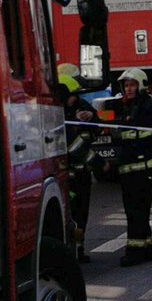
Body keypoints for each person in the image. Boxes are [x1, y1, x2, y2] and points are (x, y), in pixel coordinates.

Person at [110, 68, 152, 267]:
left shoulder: (149, 108)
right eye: (126, 85)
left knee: (136, 213)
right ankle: (145, 249)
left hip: (141, 171)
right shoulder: (131, 107)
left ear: (141, 86)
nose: (128, 89)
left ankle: (135, 253)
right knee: (137, 213)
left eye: (132, 85)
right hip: (132, 171)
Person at [57, 72, 98, 263]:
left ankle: (79, 251)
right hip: (68, 176)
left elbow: (98, 126)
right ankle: (70, 253)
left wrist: (91, 117)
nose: (76, 98)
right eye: (73, 95)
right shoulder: (56, 114)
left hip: (83, 175)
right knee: (70, 215)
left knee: (82, 215)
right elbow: (72, 146)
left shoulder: (81, 106)